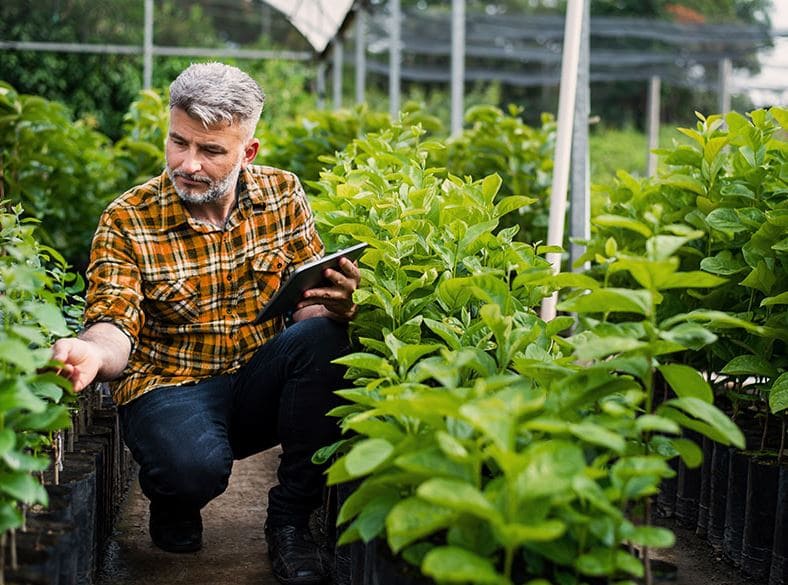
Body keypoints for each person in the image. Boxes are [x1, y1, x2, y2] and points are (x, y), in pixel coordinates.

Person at [51, 62, 360, 585]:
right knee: (191, 469)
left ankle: (289, 522)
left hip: (255, 376)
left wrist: (332, 306)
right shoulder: (128, 218)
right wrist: (93, 354)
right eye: (179, 143)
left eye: (212, 150)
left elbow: (306, 306)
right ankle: (175, 498)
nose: (189, 164)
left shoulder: (282, 196)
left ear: (248, 152)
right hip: (171, 385)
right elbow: (114, 321)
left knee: (326, 337)